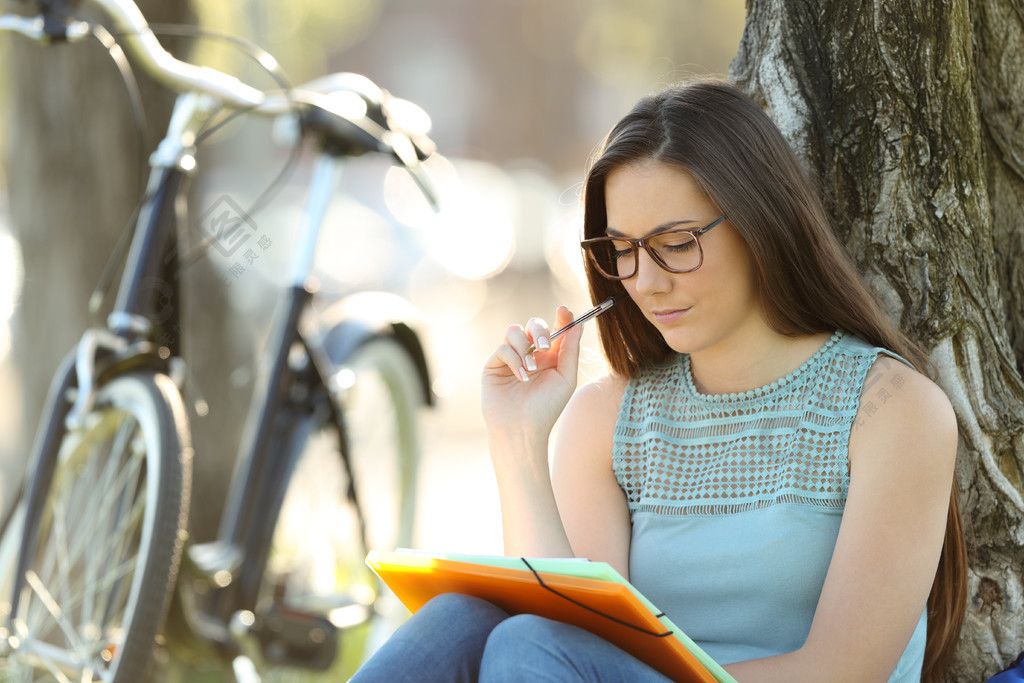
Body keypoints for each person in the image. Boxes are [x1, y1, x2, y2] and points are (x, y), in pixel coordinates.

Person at [351, 78, 967, 682]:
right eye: (622, 249)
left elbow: (842, 672)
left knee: (528, 642)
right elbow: (568, 624)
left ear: (762, 222)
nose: (644, 281)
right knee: (462, 617)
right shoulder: (608, 417)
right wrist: (516, 439)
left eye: (674, 243)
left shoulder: (892, 410)